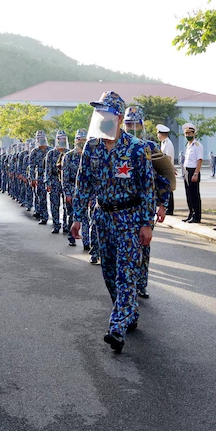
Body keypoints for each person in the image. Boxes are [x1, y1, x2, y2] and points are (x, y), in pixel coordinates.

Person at [71, 91, 155, 353]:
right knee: (108, 272)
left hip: (129, 219)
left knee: (125, 274)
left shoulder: (137, 148)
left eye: (106, 113)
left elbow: (147, 188)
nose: (101, 118)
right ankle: (129, 311)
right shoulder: (92, 147)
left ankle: (116, 328)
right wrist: (77, 217)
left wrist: (146, 223)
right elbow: (83, 183)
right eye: (99, 113)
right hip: (102, 217)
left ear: (119, 117)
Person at [123, 106, 169, 300]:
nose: (132, 127)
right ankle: (126, 287)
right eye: (128, 124)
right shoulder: (115, 145)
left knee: (143, 246)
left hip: (144, 207)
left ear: (142, 125)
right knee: (123, 251)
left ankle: (141, 284)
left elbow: (163, 177)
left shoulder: (150, 147)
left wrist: (162, 204)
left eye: (135, 123)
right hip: (121, 209)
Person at [61, 129, 88, 247]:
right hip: (72, 189)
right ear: (75, 141)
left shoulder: (90, 155)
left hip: (86, 190)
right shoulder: (69, 156)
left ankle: (87, 242)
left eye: (84, 140)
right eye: (79, 140)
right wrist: (67, 193)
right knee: (71, 214)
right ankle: (71, 236)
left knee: (87, 217)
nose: (81, 142)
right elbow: (65, 177)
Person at [45, 130, 69, 234]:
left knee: (66, 205)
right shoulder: (51, 153)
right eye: (60, 138)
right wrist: (48, 183)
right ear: (57, 140)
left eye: (63, 138)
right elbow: (48, 169)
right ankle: (56, 224)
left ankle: (66, 225)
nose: (61, 140)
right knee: (55, 204)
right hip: (54, 180)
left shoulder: (69, 153)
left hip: (66, 181)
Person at [182, 122, 203, 223]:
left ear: (194, 134)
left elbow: (199, 160)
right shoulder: (188, 145)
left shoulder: (197, 145)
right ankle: (191, 213)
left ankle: (197, 216)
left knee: (194, 194)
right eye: (186, 134)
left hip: (193, 171)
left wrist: (196, 173)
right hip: (186, 170)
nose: (188, 135)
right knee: (188, 194)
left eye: (190, 133)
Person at [28, 131, 51, 224]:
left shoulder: (51, 150)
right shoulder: (34, 152)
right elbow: (31, 166)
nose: (40, 140)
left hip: (51, 178)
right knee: (41, 198)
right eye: (38, 138)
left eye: (41, 138)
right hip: (40, 177)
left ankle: (56, 220)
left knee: (54, 200)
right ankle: (44, 216)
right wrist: (32, 178)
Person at [156, 124, 175, 216]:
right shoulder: (163, 143)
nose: (157, 135)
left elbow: (168, 157)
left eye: (158, 133)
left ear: (161, 134)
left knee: (169, 189)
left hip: (167, 169)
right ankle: (167, 208)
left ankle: (170, 209)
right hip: (164, 169)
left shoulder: (168, 143)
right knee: (165, 188)